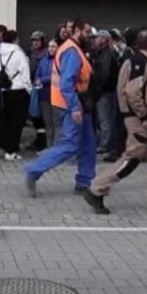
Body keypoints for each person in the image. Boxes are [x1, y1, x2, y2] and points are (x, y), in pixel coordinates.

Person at [84, 29, 147, 216]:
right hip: (140, 121)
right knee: (131, 159)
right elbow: (133, 92)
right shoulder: (139, 63)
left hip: (145, 120)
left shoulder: (136, 61)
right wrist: (144, 116)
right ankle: (97, 188)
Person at [24, 20, 95, 197]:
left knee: (88, 144)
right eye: (87, 32)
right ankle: (34, 169)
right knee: (70, 144)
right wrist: (74, 107)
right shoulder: (71, 51)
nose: (90, 36)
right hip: (72, 104)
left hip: (77, 103)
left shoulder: (72, 48)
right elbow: (66, 83)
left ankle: (84, 181)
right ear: (77, 31)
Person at [0, 30, 31, 161]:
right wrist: (29, 90)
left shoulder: (0, 54)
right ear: (16, 39)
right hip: (19, 91)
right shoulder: (19, 54)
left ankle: (0, 144)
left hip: (4, 91)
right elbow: (25, 74)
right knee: (17, 123)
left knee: (5, 121)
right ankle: (11, 151)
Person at [90, 30, 121, 163]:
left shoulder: (107, 54)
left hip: (106, 92)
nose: (95, 40)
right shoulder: (101, 53)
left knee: (106, 120)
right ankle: (107, 144)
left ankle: (106, 145)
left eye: (97, 38)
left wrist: (98, 88)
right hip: (105, 91)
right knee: (105, 119)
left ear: (104, 39)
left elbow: (105, 74)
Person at [35, 39, 57, 145]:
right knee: (47, 122)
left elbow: (56, 77)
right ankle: (49, 146)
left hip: (56, 96)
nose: (51, 49)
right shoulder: (43, 61)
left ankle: (56, 146)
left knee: (56, 123)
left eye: (53, 46)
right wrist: (38, 80)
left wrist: (42, 80)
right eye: (49, 46)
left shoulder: (59, 60)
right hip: (44, 95)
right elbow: (37, 75)